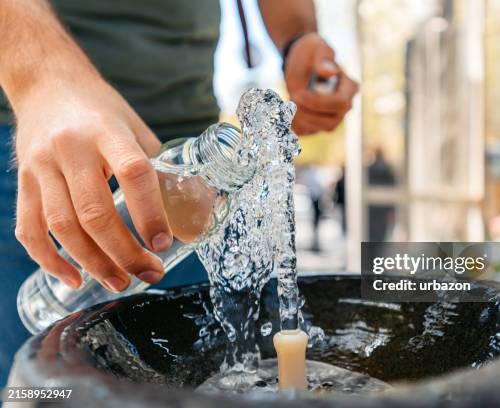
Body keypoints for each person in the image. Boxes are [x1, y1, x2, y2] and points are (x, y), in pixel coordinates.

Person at [0, 0, 358, 385]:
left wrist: (297, 38)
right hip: (40, 137)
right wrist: (40, 75)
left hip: (187, 158)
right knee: (40, 386)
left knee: (198, 378)